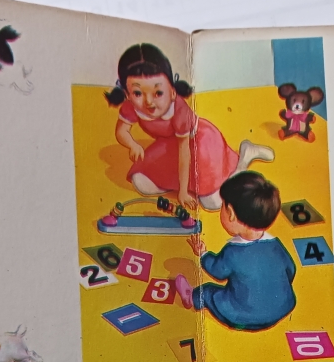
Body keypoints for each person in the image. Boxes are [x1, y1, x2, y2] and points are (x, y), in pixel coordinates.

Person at [106, 43, 274, 218]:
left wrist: (183, 192)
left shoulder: (180, 111)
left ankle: (244, 157)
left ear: (172, 91)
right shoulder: (130, 107)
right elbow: (121, 132)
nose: (149, 102)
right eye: (138, 93)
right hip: (169, 146)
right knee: (141, 183)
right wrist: (132, 144)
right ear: (127, 94)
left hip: (201, 145)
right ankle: (181, 182)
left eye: (158, 93)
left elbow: (185, 153)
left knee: (213, 202)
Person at [175, 172, 296, 331]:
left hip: (241, 317)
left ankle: (191, 298)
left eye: (223, 206)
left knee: (208, 290)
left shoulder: (233, 252)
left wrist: (203, 254)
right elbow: (291, 270)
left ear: (231, 213)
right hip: (280, 310)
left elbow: (217, 271)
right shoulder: (276, 246)